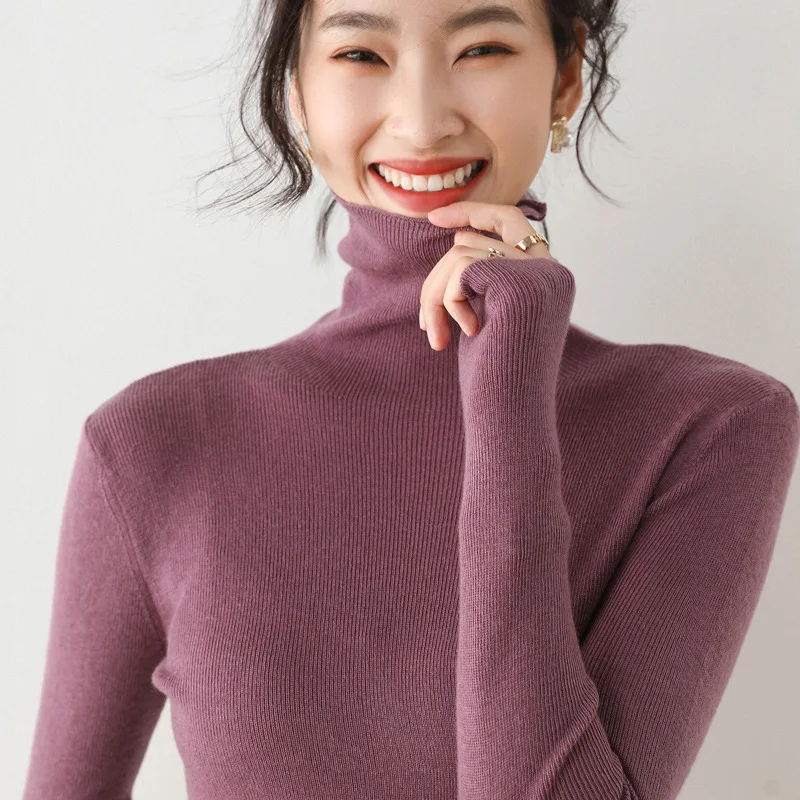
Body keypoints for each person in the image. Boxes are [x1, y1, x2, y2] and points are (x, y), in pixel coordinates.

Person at [22, 0, 799, 798]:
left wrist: (509, 389)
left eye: (483, 48)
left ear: (566, 77)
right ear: (297, 89)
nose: (423, 124)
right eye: (361, 55)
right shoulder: (152, 444)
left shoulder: (709, 427)